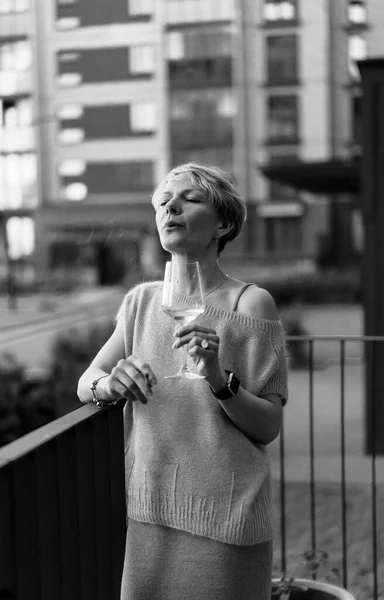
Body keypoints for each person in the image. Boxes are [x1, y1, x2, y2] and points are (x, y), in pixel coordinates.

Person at [77, 162, 288, 600]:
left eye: (189, 198)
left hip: (227, 518)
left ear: (223, 223)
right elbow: (87, 382)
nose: (170, 206)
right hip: (150, 512)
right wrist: (110, 385)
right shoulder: (141, 300)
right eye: (162, 201)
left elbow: (268, 426)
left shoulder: (251, 303)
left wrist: (217, 377)